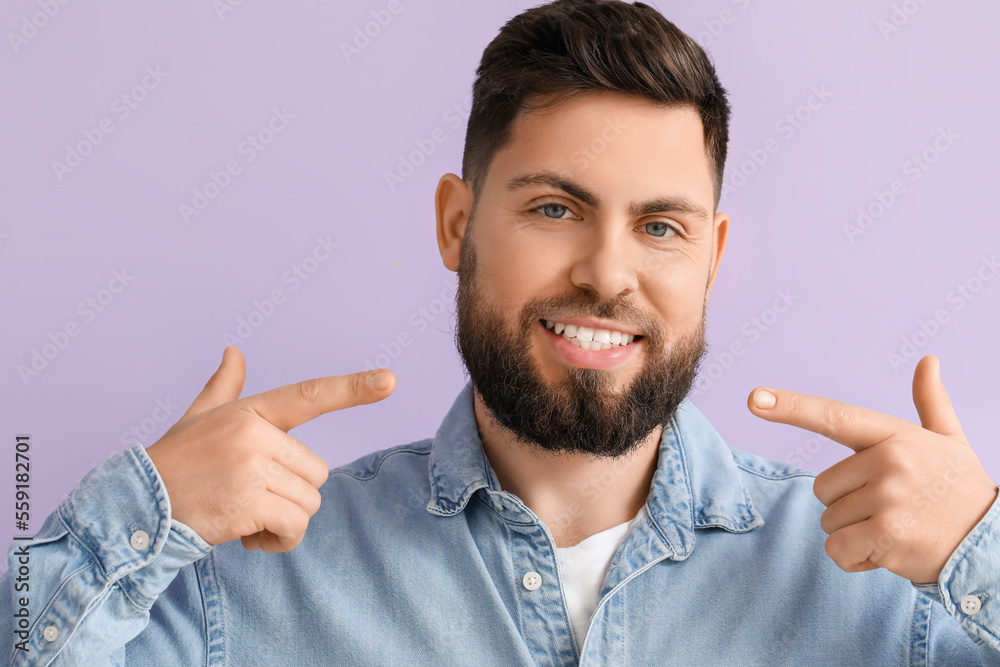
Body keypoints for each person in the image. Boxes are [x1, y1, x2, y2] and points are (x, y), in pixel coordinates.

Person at [5, 1, 999, 664]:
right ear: (455, 224)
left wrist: (983, 549)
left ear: (712, 257)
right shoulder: (247, 580)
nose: (608, 273)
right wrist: (136, 517)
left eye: (660, 227)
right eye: (555, 209)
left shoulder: (887, 582)